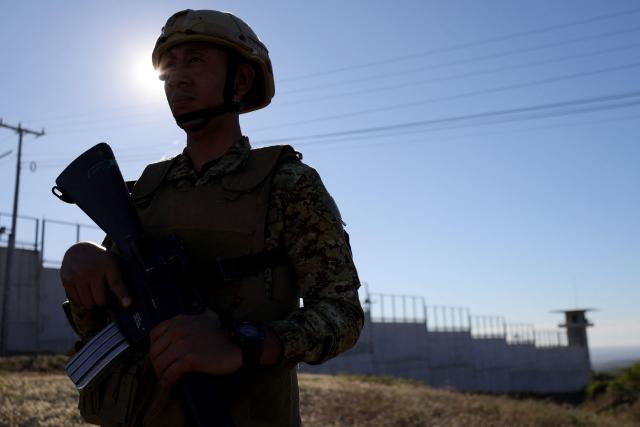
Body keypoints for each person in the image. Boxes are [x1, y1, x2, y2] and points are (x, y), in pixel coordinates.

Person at [59, 9, 363, 427]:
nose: (176, 78)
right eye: (170, 67)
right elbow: (105, 323)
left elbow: (342, 314)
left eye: (196, 61)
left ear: (239, 81)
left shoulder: (288, 184)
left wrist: (242, 343)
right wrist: (83, 264)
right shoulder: (143, 192)